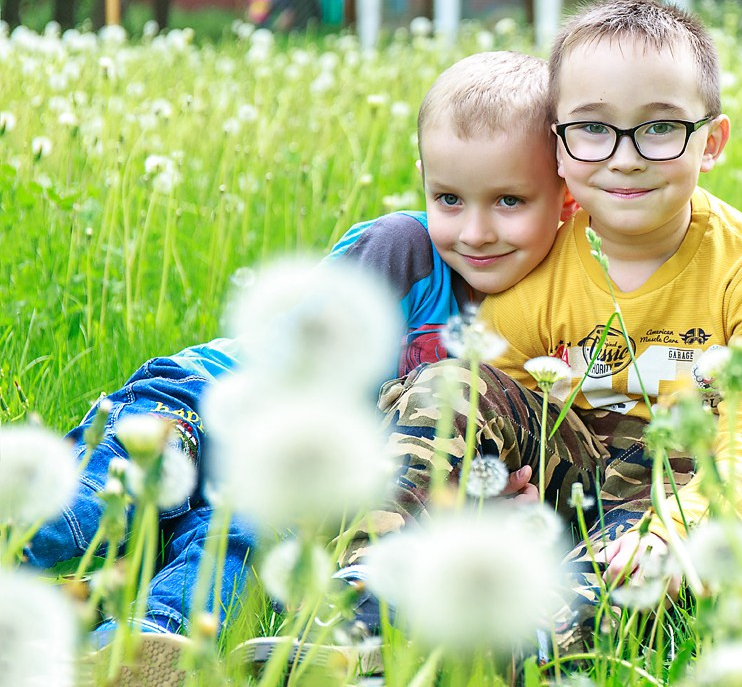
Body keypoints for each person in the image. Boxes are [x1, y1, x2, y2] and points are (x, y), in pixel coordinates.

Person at [24, 50, 570, 684]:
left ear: (567, 197)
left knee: (240, 544)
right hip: (204, 404)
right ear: (423, 178)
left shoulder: (555, 321)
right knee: (82, 511)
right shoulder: (402, 250)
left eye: (508, 200)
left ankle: (140, 645)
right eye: (449, 198)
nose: (474, 231)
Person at [355, 0, 742, 654]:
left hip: (692, 492)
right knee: (449, 383)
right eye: (594, 129)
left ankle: (501, 654)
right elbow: (493, 388)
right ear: (559, 151)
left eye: (659, 128)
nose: (624, 157)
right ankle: (366, 606)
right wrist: (491, 486)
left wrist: (671, 532)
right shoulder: (548, 262)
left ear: (710, 143)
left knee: (623, 585)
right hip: (578, 472)